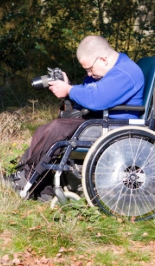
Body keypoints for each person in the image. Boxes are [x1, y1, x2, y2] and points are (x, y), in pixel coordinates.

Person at [8, 35, 145, 197]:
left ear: (103, 59)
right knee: (44, 130)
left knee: (56, 128)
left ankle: (28, 180)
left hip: (114, 127)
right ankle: (34, 181)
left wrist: (69, 90)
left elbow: (96, 99)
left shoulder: (125, 72)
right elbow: (89, 92)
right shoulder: (108, 71)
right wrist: (69, 86)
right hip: (99, 121)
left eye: (89, 69)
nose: (89, 74)